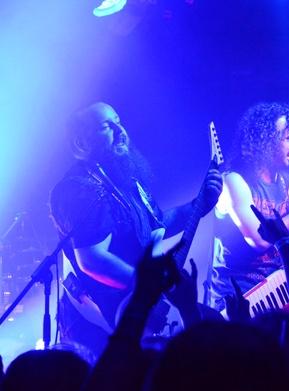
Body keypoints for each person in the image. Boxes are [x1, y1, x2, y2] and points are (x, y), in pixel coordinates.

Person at [50, 102, 222, 356]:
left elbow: (157, 225)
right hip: (102, 326)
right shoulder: (78, 188)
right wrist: (148, 286)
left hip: (138, 310)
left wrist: (199, 204)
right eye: (107, 126)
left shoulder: (125, 181)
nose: (120, 130)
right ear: (81, 142)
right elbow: (92, 260)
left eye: (119, 122)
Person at [209, 102, 289, 311]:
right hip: (239, 301)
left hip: (275, 291)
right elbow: (260, 240)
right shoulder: (234, 181)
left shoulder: (286, 182)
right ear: (266, 143)